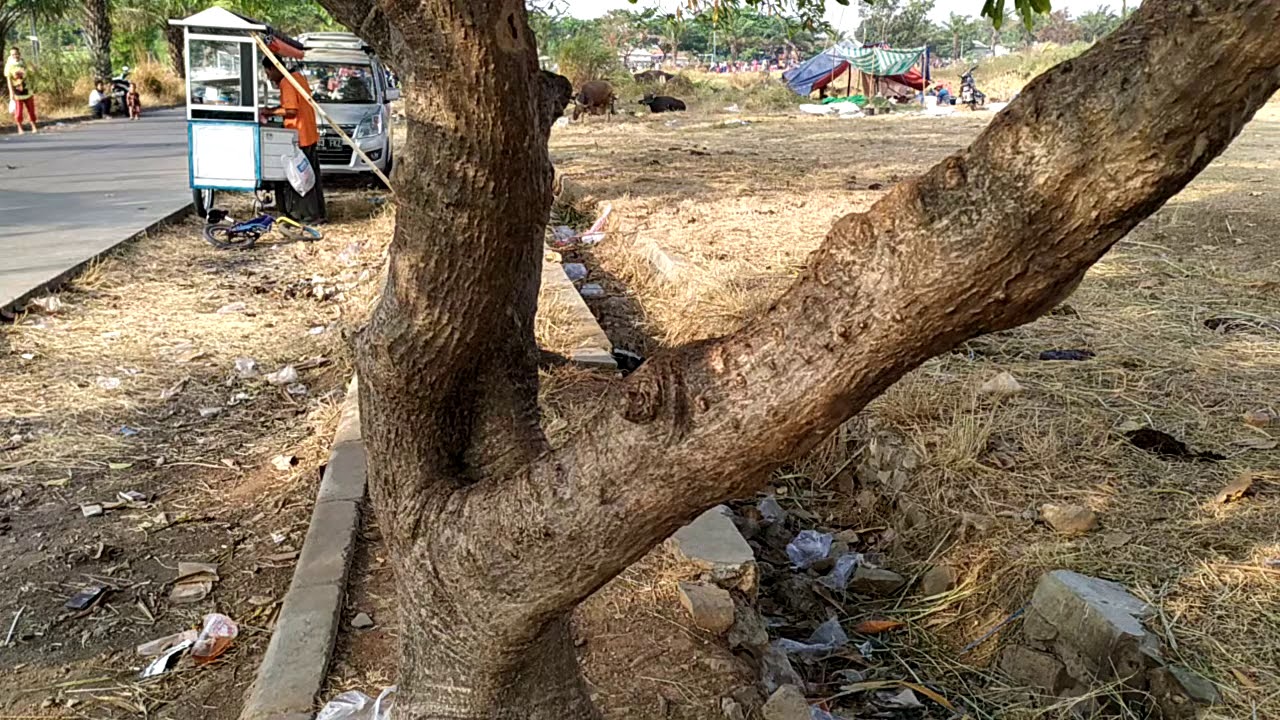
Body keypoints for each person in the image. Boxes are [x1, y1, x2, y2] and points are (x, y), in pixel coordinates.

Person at [261, 57, 325, 224]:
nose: (268, 77)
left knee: (300, 179)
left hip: (299, 136)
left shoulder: (287, 82)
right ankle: (317, 213)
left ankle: (304, 216)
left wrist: (270, 112)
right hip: (309, 133)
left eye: (268, 72)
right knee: (311, 176)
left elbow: (291, 110)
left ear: (274, 68)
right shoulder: (298, 77)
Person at [5, 46, 37, 134]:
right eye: (13, 54)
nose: (15, 56)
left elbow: (34, 71)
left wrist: (31, 64)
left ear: (19, 54)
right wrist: (11, 92)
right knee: (18, 112)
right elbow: (9, 80)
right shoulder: (9, 65)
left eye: (16, 54)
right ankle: (20, 127)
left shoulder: (24, 62)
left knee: (31, 110)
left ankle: (33, 126)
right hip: (17, 91)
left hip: (27, 89)